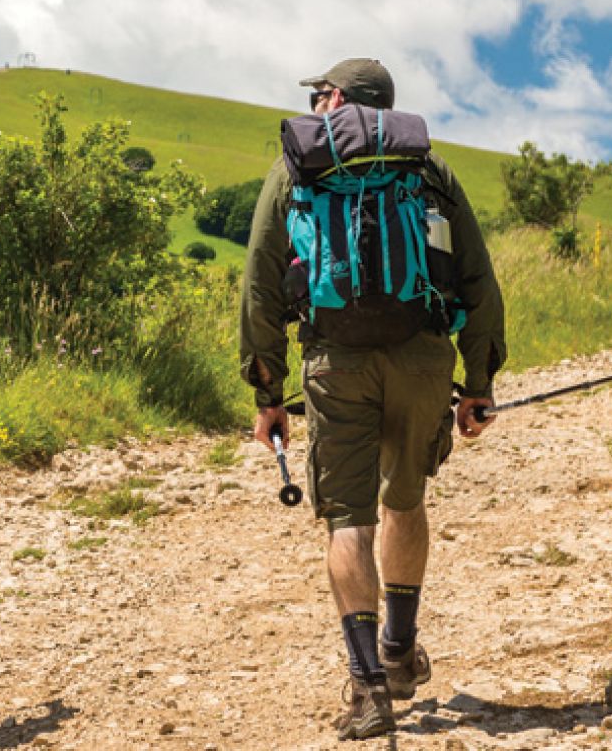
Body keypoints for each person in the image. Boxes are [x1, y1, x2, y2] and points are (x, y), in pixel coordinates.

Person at [240, 59, 506, 740]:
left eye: (318, 93)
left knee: (347, 522)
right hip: (422, 358)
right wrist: (477, 384)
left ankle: (365, 689)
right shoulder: (427, 171)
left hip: (334, 363)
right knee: (405, 499)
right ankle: (397, 649)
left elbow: (260, 288)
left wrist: (267, 393)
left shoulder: (296, 168)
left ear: (333, 98)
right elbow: (478, 282)